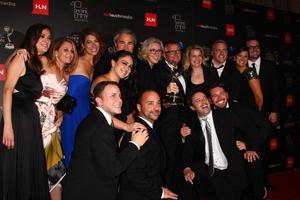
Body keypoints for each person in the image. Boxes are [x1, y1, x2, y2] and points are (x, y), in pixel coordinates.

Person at [62, 81, 149, 200]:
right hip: (88, 193)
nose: (119, 100)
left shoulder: (96, 119)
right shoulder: (99, 128)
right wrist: (135, 144)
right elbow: (112, 169)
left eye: (119, 95)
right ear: (99, 101)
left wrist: (127, 127)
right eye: (113, 95)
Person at [0, 24, 51, 200]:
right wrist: (8, 126)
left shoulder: (32, 61)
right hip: (18, 117)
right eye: (42, 36)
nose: (47, 41)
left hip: (29, 117)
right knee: (17, 163)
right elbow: (7, 90)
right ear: (32, 38)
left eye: (48, 38)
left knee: (27, 165)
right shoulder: (21, 58)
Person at [209, 83, 274, 200]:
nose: (219, 98)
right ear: (210, 100)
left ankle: (258, 191)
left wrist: (250, 146)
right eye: (214, 96)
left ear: (227, 95)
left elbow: (267, 126)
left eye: (221, 94)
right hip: (224, 156)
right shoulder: (209, 114)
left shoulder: (242, 107)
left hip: (246, 150)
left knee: (253, 159)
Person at [182, 89, 250, 200]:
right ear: (192, 107)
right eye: (198, 100)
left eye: (204, 98)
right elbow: (188, 150)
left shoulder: (225, 115)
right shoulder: (192, 127)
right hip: (210, 170)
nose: (203, 102)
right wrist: (186, 168)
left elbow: (249, 128)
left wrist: (248, 144)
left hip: (231, 168)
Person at [35, 37, 78, 200]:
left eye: (72, 51)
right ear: (56, 52)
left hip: (53, 125)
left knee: (55, 170)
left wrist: (60, 114)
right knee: (36, 167)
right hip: (37, 120)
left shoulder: (67, 75)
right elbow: (25, 81)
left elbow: (60, 103)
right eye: (66, 49)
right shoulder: (45, 63)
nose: (70, 53)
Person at [119, 90, 178, 200]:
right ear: (139, 107)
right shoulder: (139, 131)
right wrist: (159, 193)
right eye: (150, 103)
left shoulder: (148, 127)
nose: (156, 108)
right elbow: (133, 172)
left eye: (158, 103)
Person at [60, 29, 102, 168]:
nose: (93, 45)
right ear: (83, 45)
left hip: (86, 114)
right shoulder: (76, 60)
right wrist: (60, 112)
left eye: (96, 41)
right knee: (71, 151)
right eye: (89, 42)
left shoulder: (95, 65)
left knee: (84, 154)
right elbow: (62, 86)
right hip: (71, 114)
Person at [153, 40, 188, 192]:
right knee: (169, 159)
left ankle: (179, 188)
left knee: (180, 158)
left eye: (178, 51)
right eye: (171, 52)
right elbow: (155, 91)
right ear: (164, 54)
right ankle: (169, 191)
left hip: (182, 119)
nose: (176, 54)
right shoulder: (160, 69)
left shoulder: (181, 70)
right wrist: (165, 90)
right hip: (168, 122)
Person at [246, 38, 280, 190]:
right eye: (250, 47)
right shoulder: (241, 65)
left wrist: (274, 110)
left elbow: (277, 91)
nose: (254, 49)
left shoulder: (270, 67)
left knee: (264, 149)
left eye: (257, 47)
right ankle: (249, 181)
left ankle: (264, 180)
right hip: (247, 117)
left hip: (265, 116)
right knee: (248, 148)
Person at [234, 46, 263, 111]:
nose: (242, 59)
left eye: (245, 56)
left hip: (249, 111)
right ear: (235, 58)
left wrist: (256, 115)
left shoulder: (250, 72)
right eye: (240, 56)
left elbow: (259, 98)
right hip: (235, 111)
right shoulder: (233, 72)